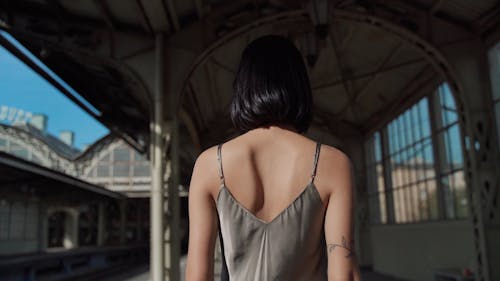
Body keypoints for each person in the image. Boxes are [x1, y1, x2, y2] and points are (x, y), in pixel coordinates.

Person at [185, 34, 361, 281]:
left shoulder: (210, 164)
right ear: (300, 88)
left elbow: (197, 275)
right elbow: (345, 273)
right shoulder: (332, 163)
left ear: (242, 89)